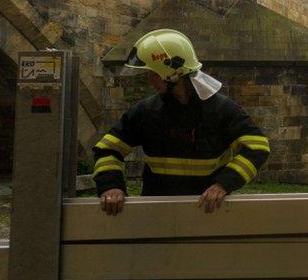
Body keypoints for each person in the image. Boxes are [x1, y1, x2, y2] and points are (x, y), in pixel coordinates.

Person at [93, 29, 270, 216]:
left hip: (208, 212)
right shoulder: (146, 111)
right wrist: (111, 186)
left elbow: (258, 146)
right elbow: (106, 150)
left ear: (172, 73)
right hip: (156, 213)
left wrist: (223, 184)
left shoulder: (221, 110)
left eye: (153, 73)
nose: (150, 80)